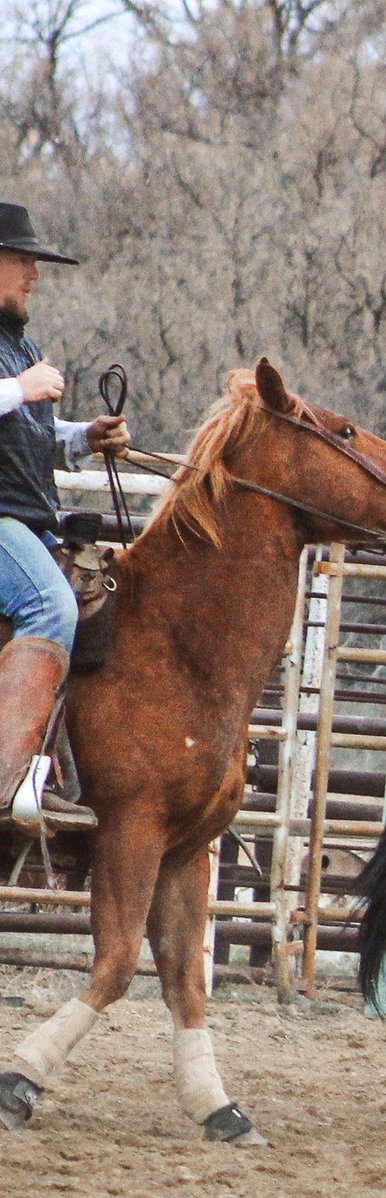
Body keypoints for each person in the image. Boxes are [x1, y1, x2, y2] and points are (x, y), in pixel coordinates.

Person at [0, 202, 127, 831]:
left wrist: (84, 438)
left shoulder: (21, 347)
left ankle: (68, 767)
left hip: (26, 522)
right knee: (52, 605)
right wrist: (21, 389)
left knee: (108, 597)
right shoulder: (18, 366)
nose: (33, 275)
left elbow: (32, 439)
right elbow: (16, 407)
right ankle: (11, 774)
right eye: (21, 260)